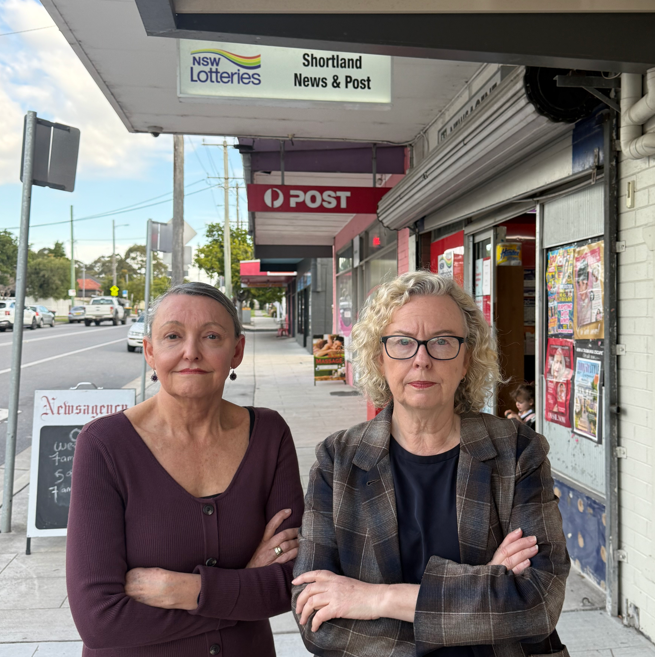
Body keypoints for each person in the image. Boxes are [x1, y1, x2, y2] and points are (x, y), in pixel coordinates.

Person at [292, 271, 570, 657]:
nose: (421, 359)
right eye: (403, 343)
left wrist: (377, 599)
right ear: (379, 357)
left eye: (442, 342)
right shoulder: (337, 460)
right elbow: (315, 619)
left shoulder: (517, 449)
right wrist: (484, 588)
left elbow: (537, 603)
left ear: (466, 359)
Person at [66, 282, 304, 657]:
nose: (191, 353)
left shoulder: (270, 435)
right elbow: (100, 621)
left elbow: (291, 581)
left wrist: (183, 591)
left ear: (237, 351)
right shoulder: (105, 445)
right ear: (149, 351)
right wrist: (242, 586)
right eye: (173, 336)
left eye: (211, 336)